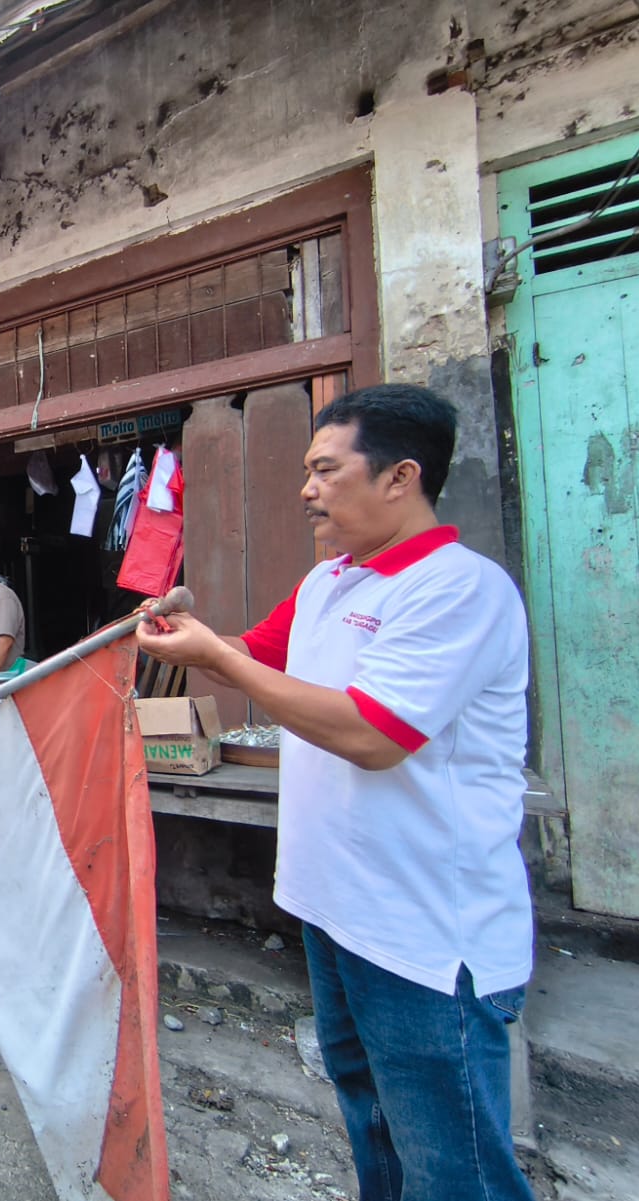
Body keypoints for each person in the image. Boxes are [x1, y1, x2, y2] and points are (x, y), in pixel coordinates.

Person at [136, 383, 535, 1201]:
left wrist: (223, 659)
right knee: (374, 1129)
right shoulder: (331, 583)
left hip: (425, 933)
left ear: (400, 477)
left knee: (453, 1165)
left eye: (325, 468)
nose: (306, 489)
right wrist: (188, 634)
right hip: (333, 908)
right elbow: (253, 650)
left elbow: (372, 733)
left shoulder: (459, 588)